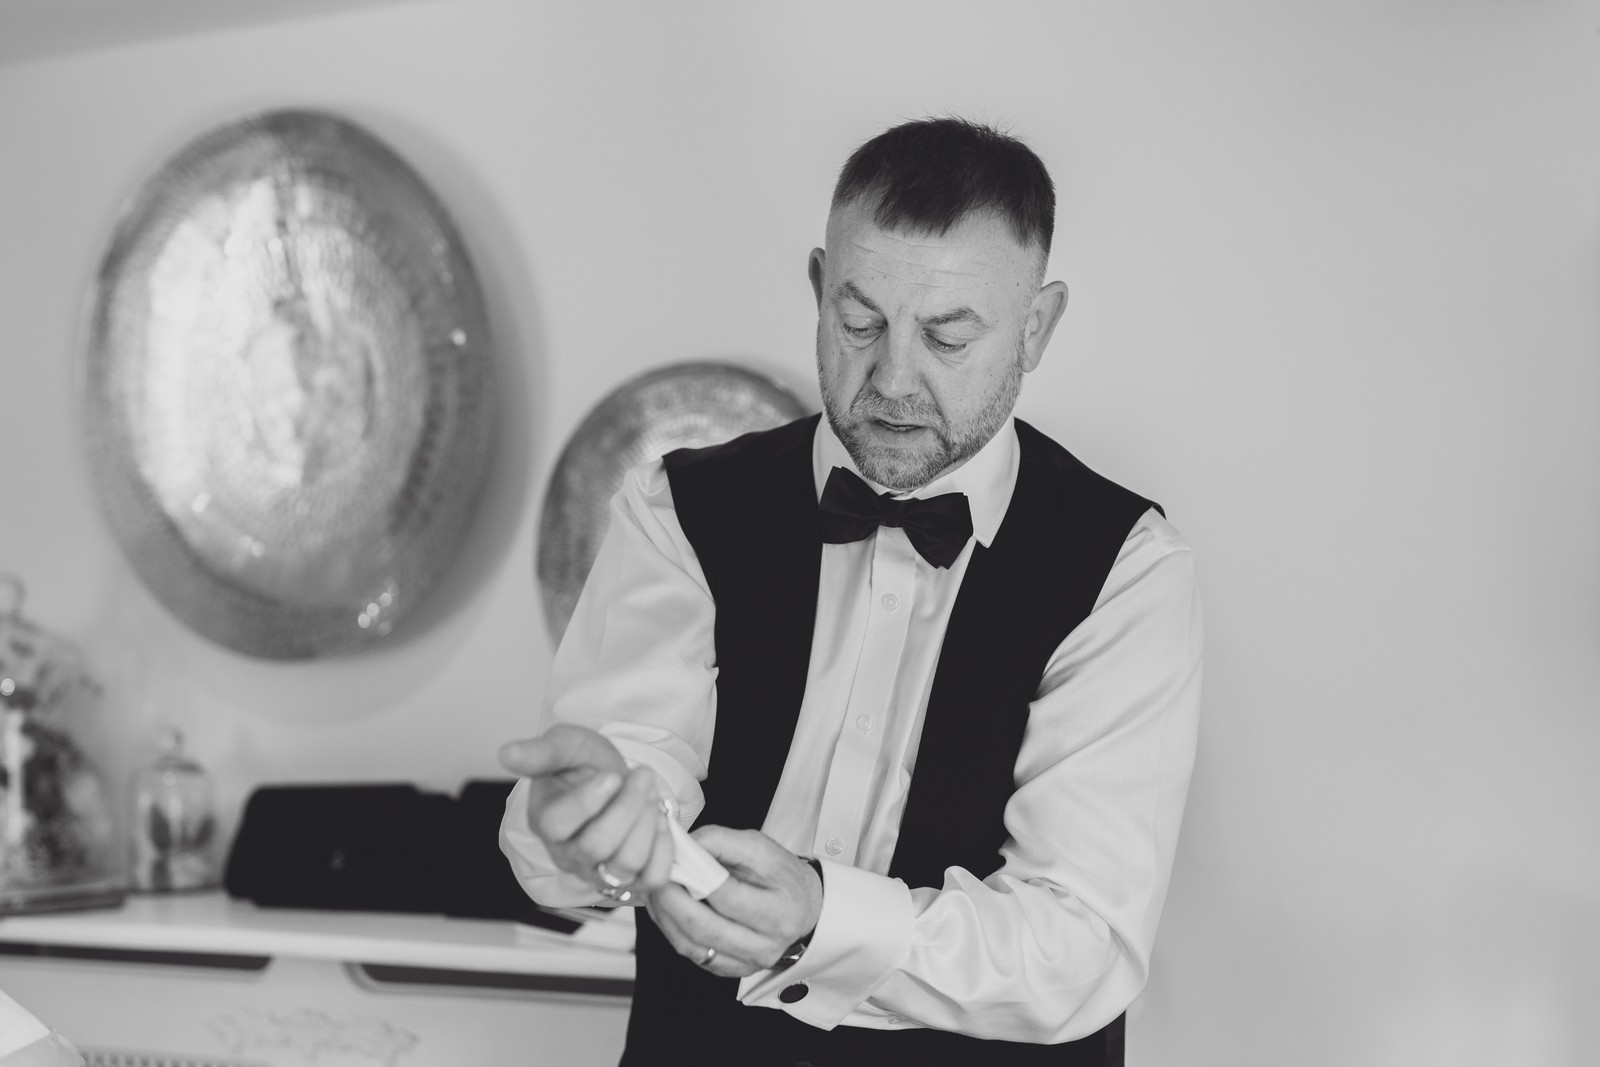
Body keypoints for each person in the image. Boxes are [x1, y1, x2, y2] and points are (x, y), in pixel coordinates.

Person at [499, 117, 1202, 1066]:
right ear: (818, 288)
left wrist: (824, 920)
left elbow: (1080, 942)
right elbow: (628, 781)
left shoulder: (1126, 568)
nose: (893, 378)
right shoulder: (679, 507)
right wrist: (588, 829)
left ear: (1036, 328)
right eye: (860, 322)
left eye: (948, 335)